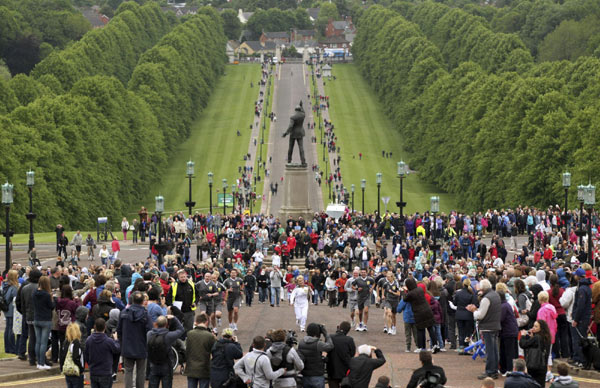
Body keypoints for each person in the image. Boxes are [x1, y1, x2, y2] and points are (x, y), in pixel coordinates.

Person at [117, 291, 153, 388]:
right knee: (141, 371)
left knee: (128, 371)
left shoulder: (124, 313)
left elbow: (119, 330)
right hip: (141, 346)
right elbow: (150, 331)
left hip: (127, 346)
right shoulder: (145, 314)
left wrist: (122, 343)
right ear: (142, 301)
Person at [467, 279, 501, 380]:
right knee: (494, 350)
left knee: (490, 351)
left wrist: (474, 311)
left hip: (488, 327)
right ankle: (494, 370)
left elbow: (480, 315)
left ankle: (490, 371)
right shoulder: (496, 295)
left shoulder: (486, 298)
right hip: (495, 325)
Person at [146, 315, 185, 388]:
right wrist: (174, 318)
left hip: (153, 364)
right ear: (166, 325)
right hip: (166, 365)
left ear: (156, 324)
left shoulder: (149, 334)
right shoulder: (169, 336)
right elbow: (181, 330)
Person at [16, 268, 41, 364]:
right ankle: (35, 356)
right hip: (35, 314)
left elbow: (19, 301)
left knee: (27, 335)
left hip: (27, 313)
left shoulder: (24, 286)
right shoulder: (38, 287)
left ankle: (24, 353)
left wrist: (23, 311)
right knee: (36, 336)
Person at [85, 318, 121, 388]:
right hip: (105, 372)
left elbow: (86, 355)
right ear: (105, 327)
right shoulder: (108, 341)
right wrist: (116, 339)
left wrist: (90, 364)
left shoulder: (89, 340)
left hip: (94, 371)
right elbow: (117, 349)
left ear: (95, 327)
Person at [297, 323, 334, 388]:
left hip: (305, 375)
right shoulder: (318, 343)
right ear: (317, 333)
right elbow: (330, 346)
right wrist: (325, 334)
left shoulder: (301, 343)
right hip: (317, 375)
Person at [403, 278, 435, 352]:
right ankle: (435, 345)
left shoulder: (410, 293)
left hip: (419, 313)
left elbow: (405, 299)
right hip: (427, 310)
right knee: (430, 328)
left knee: (420, 330)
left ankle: (421, 347)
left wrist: (405, 291)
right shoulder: (420, 289)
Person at [184, 313, 216, 388]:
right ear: (207, 322)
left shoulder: (190, 334)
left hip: (191, 367)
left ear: (197, 322)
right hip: (204, 368)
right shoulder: (209, 336)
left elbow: (187, 349)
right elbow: (214, 351)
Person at [520, 320, 552, 387]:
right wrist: (532, 337)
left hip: (534, 365)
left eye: (536, 326)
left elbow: (523, 344)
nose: (533, 328)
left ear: (541, 328)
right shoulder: (547, 337)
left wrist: (523, 336)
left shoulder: (537, 338)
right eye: (533, 326)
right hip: (543, 366)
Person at [33, 275, 55, 369]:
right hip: (45, 319)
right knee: (43, 343)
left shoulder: (34, 293)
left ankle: (38, 362)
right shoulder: (46, 295)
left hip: (37, 318)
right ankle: (42, 363)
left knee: (38, 342)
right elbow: (51, 306)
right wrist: (52, 298)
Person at [327, 321, 356, 388]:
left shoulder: (331, 337)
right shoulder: (349, 340)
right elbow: (352, 353)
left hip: (332, 369)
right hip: (345, 370)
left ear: (339, 327)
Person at [454, 278, 478, 353]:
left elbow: (455, 303)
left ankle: (461, 346)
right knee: (468, 331)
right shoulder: (472, 294)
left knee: (461, 331)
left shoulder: (458, 293)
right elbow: (474, 304)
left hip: (459, 314)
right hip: (468, 314)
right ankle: (467, 346)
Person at [498, 290, 518, 376]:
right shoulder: (505, 305)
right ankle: (503, 368)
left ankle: (509, 370)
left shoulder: (503, 306)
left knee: (509, 352)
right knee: (503, 350)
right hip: (508, 331)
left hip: (508, 331)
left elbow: (500, 319)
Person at [60, 323, 84, 388]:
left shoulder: (65, 342)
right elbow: (76, 357)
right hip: (75, 372)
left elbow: (62, 356)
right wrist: (81, 369)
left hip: (67, 372)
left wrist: (61, 368)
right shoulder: (76, 342)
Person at [2, 270, 19, 355]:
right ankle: (12, 348)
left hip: (6, 308)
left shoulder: (4, 285)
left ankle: (7, 347)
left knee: (7, 328)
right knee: (11, 329)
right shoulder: (13, 287)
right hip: (11, 309)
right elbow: (14, 298)